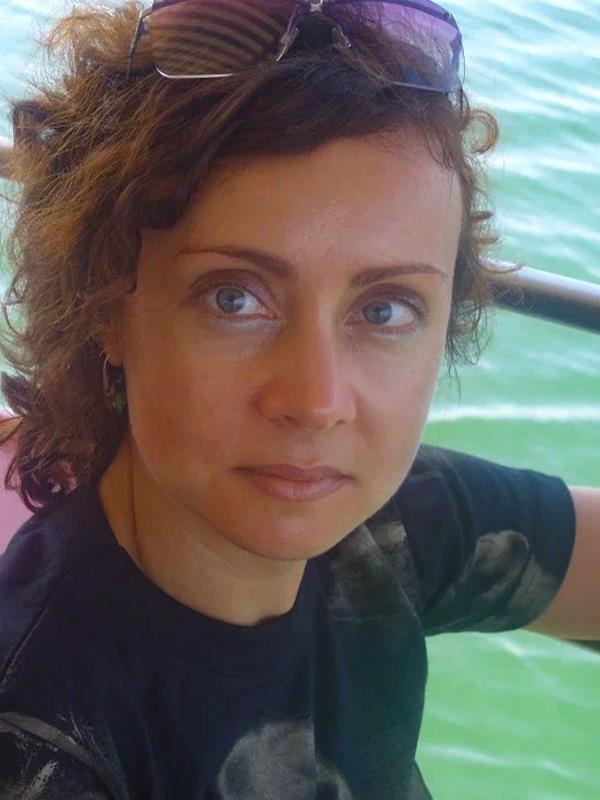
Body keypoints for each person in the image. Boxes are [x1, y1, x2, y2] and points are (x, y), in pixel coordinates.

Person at [0, 1, 597, 798]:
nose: (316, 402)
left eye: (384, 310)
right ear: (108, 308)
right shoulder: (41, 744)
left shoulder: (386, 528)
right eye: (233, 298)